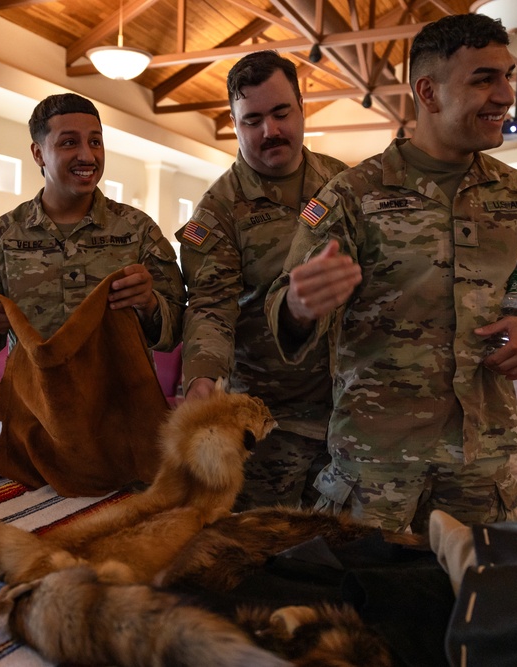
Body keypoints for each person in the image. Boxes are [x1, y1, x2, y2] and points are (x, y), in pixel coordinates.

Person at [266, 13, 517, 534]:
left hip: (481, 460)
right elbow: (285, 304)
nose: (505, 95)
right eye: (483, 79)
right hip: (377, 459)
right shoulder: (351, 195)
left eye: (508, 75)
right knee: (363, 604)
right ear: (428, 92)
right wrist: (297, 305)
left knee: (473, 602)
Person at [176, 50, 348, 510]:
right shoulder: (219, 210)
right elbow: (212, 304)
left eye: (280, 113)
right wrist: (202, 377)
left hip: (352, 408)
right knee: (265, 550)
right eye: (252, 120)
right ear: (235, 124)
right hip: (272, 418)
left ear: (301, 108)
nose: (270, 131)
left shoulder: (344, 184)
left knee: (349, 550)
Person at [0, 93, 184, 372]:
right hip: (36, 406)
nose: (87, 155)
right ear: (38, 154)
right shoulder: (0, 238)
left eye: (95, 142)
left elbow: (176, 328)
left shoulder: (138, 230)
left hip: (122, 407)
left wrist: (149, 303)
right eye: (69, 142)